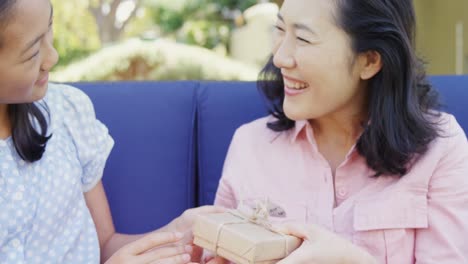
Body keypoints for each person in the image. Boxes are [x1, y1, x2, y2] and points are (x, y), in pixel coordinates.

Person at [213, 0, 468, 263]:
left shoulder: (441, 150)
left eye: (303, 38)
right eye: (279, 29)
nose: (279, 58)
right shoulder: (250, 145)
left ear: (369, 60)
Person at [0, 0, 221, 263]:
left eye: (49, 28)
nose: (53, 57)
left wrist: (176, 233)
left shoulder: (67, 112)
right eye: (33, 51)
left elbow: (105, 245)